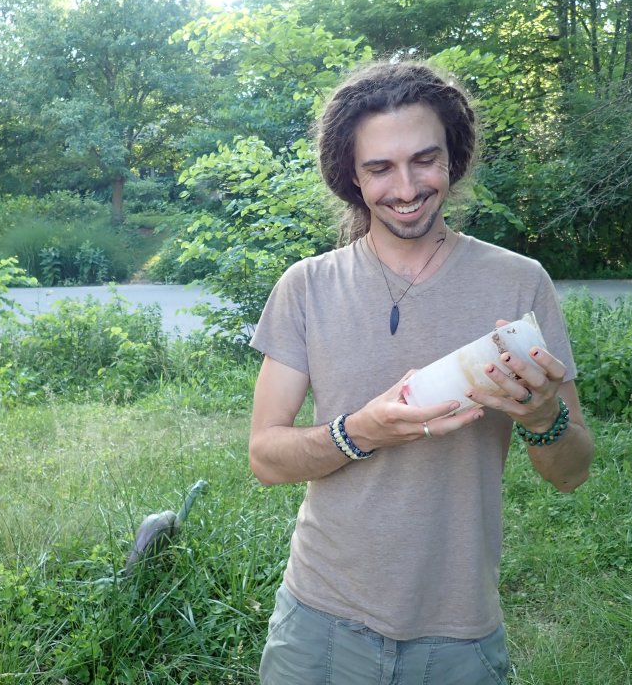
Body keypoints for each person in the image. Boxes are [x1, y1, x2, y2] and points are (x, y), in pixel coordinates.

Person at [248, 60, 595, 685]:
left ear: (453, 159)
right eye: (379, 167)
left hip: (457, 632)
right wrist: (363, 431)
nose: (405, 187)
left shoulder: (519, 282)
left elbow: (571, 474)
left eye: (424, 160)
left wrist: (545, 417)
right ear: (352, 178)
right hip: (318, 624)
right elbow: (266, 458)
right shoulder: (306, 286)